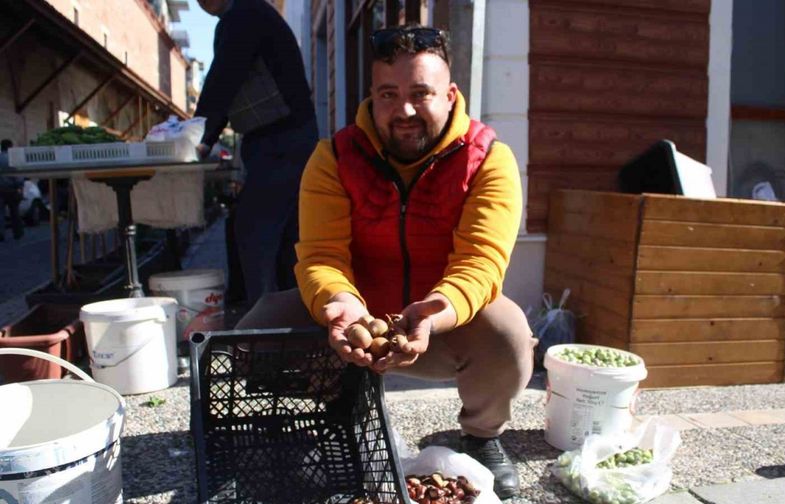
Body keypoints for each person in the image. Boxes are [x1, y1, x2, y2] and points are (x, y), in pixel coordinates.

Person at [237, 25, 534, 499]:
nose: (405, 111)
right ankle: (335, 407)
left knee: (509, 332)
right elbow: (320, 256)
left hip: (438, 325)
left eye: (421, 93)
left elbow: (481, 263)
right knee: (257, 329)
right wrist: (341, 306)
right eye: (389, 94)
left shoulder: (489, 161)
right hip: (355, 321)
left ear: (451, 94)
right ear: (372, 96)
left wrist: (433, 312)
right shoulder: (332, 157)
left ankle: (481, 436)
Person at [194, 0, 318, 306]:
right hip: (286, 137)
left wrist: (199, 136)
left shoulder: (243, 15)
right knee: (285, 239)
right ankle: (290, 325)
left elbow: (223, 80)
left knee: (254, 233)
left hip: (281, 140)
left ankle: (260, 326)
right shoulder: (251, 13)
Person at [0, 139, 24, 242]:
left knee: (0, 213)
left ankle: (1, 234)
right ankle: (17, 233)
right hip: (12, 189)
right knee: (14, 212)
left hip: (0, 189)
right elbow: (18, 175)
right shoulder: (12, 159)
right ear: (10, 147)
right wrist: (20, 187)